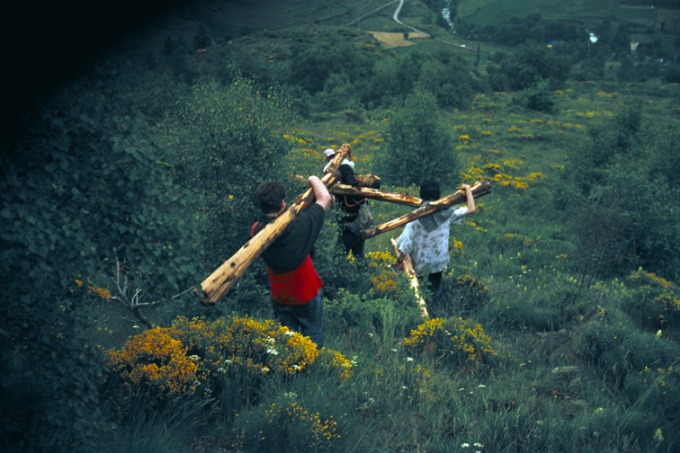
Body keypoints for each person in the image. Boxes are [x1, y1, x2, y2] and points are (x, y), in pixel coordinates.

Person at [252, 176, 331, 348]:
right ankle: (311, 369)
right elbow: (325, 198)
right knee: (313, 332)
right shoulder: (300, 225)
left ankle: (293, 371)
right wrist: (313, 178)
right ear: (282, 203)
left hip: (279, 295)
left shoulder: (256, 231)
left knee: (289, 340)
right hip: (306, 293)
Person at [395, 180, 476, 308]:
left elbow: (406, 244)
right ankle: (436, 310)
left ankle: (422, 312)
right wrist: (468, 190)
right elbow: (471, 209)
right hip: (439, 260)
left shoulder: (415, 218)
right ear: (438, 195)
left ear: (421, 195)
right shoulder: (447, 213)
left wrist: (400, 261)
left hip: (421, 263)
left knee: (419, 291)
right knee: (435, 288)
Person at [335, 164, 376, 260]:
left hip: (347, 231)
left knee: (338, 259)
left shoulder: (341, 193)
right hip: (360, 229)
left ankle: (342, 273)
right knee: (360, 258)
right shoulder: (360, 188)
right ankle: (362, 273)